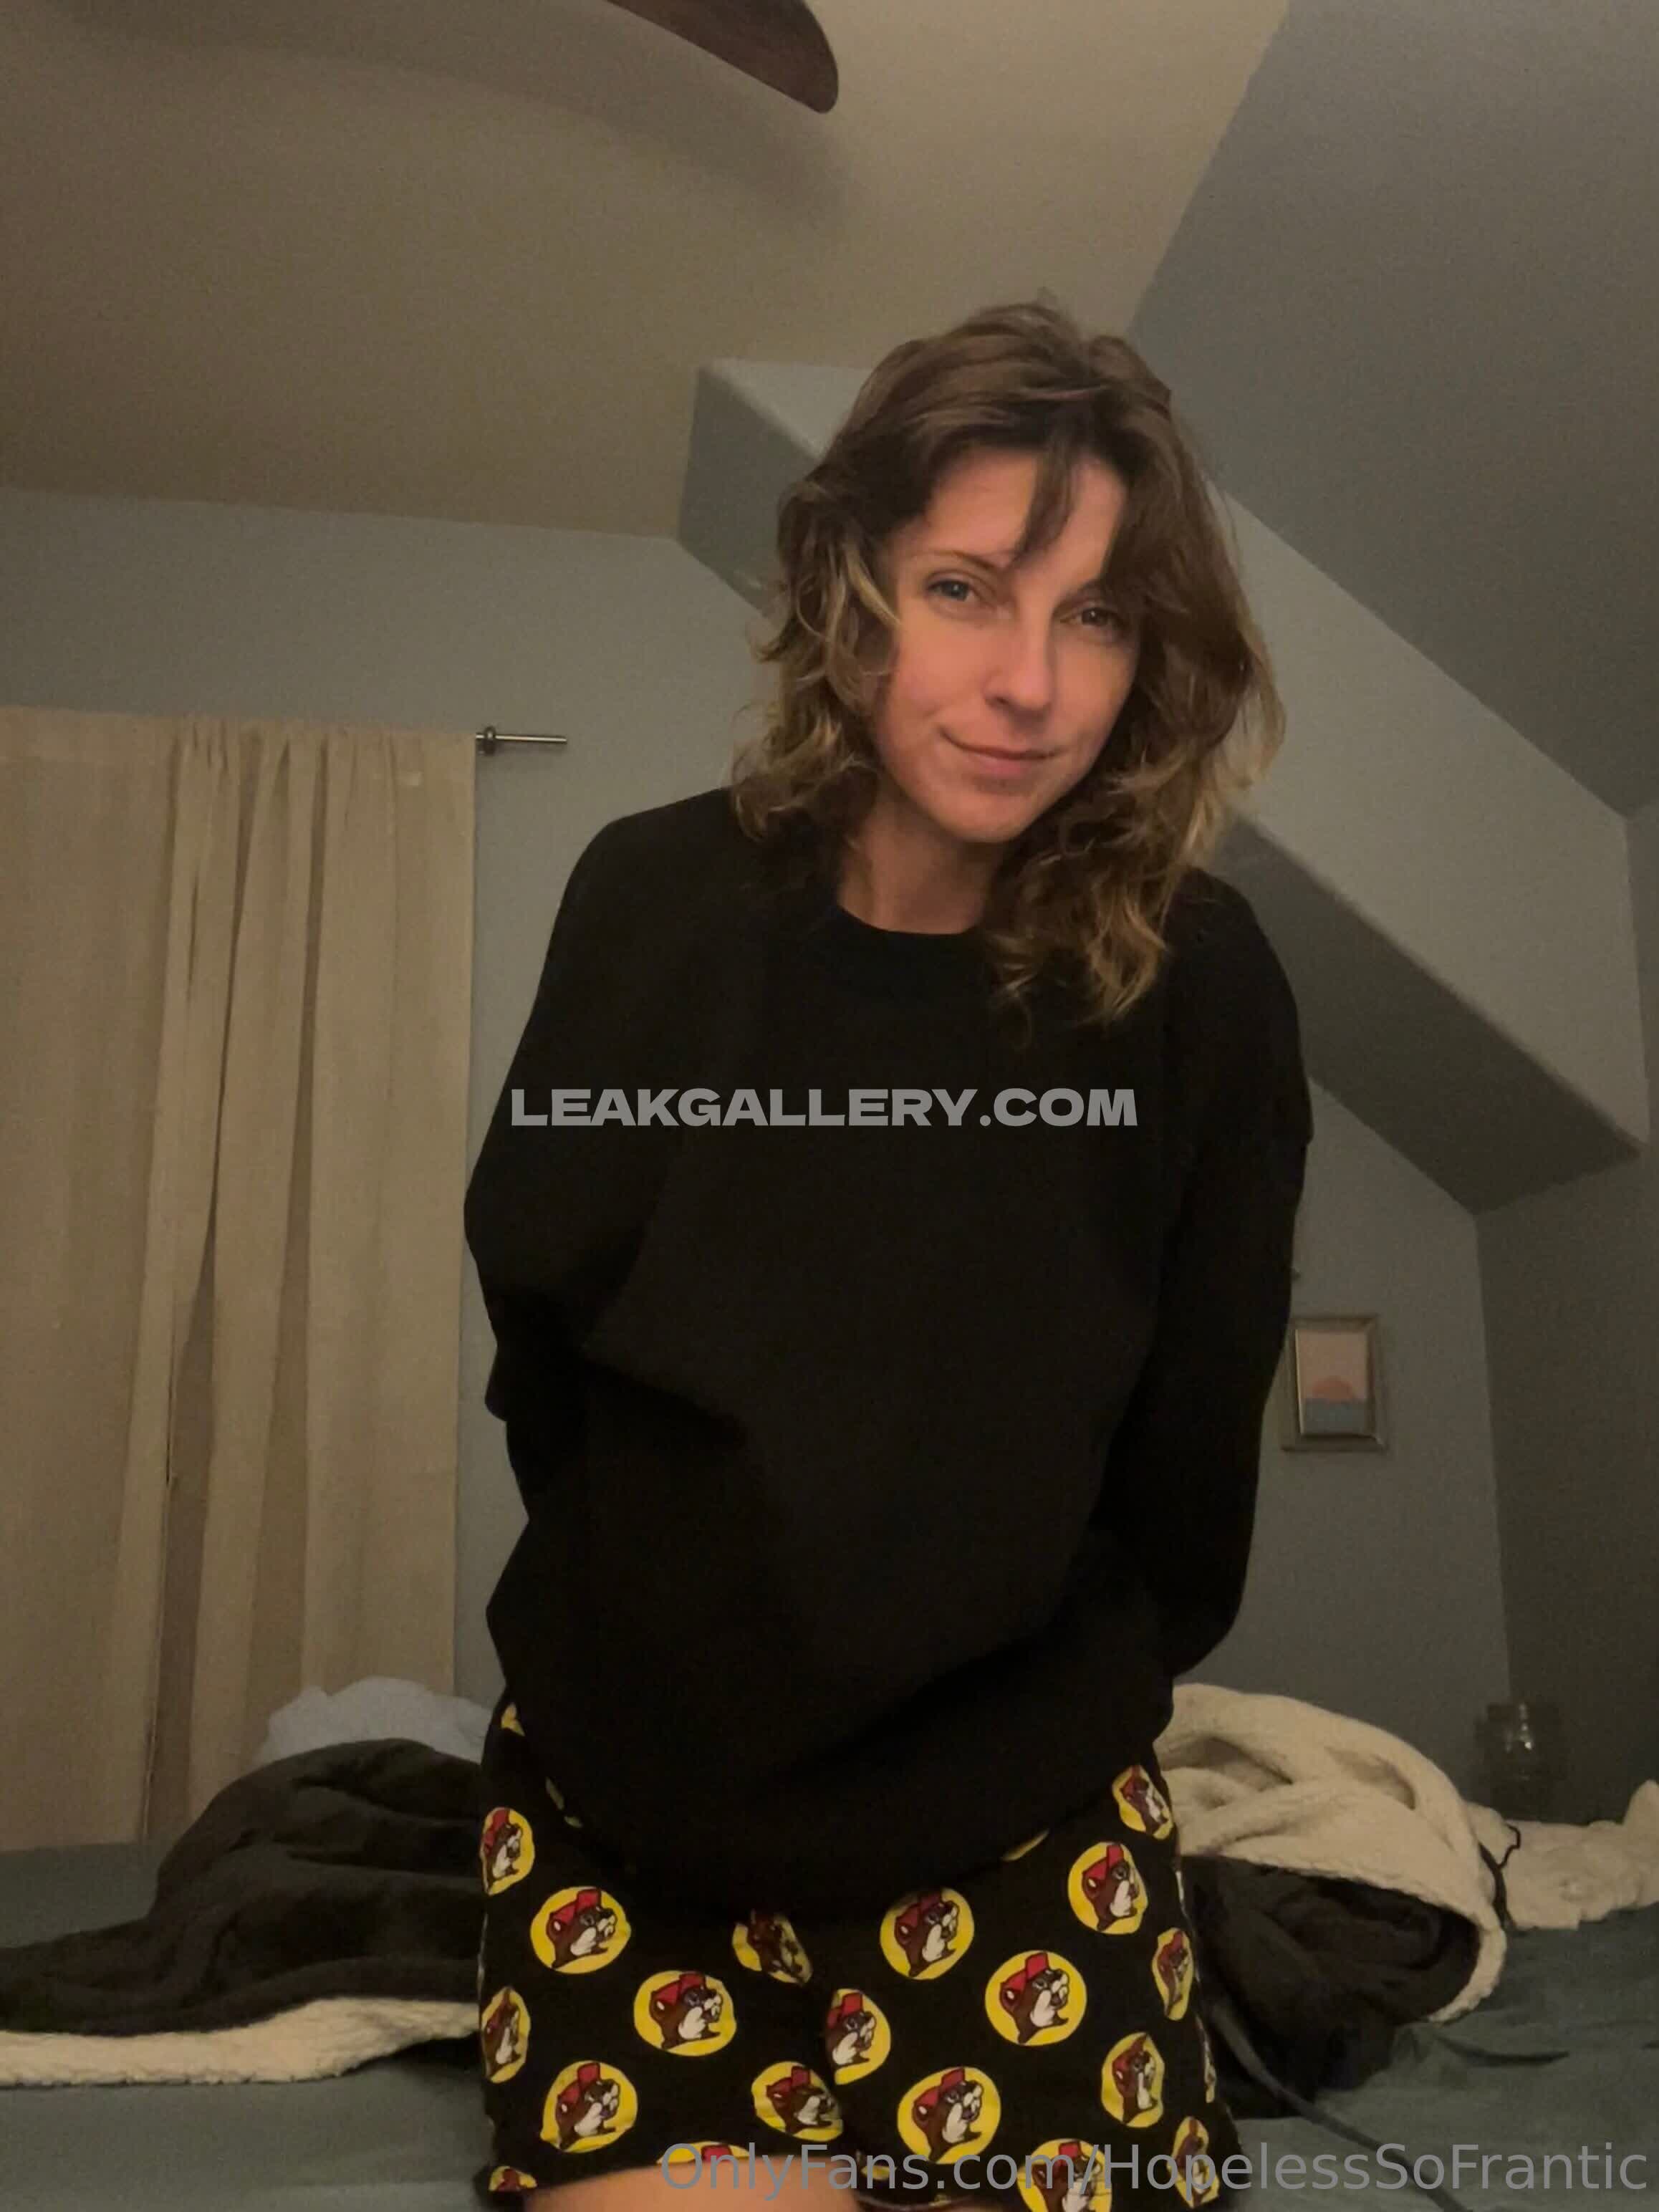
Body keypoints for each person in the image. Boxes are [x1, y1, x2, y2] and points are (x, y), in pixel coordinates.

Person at [463, 294, 1314, 2212]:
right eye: (963, 591)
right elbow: (548, 1341)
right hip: (637, 1782)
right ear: (849, 588)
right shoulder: (649, 901)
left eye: (1097, 617)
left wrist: (1026, 1709)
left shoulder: (1203, 987)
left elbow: (1188, 1469)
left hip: (1012, 1796)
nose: (1030, 684)